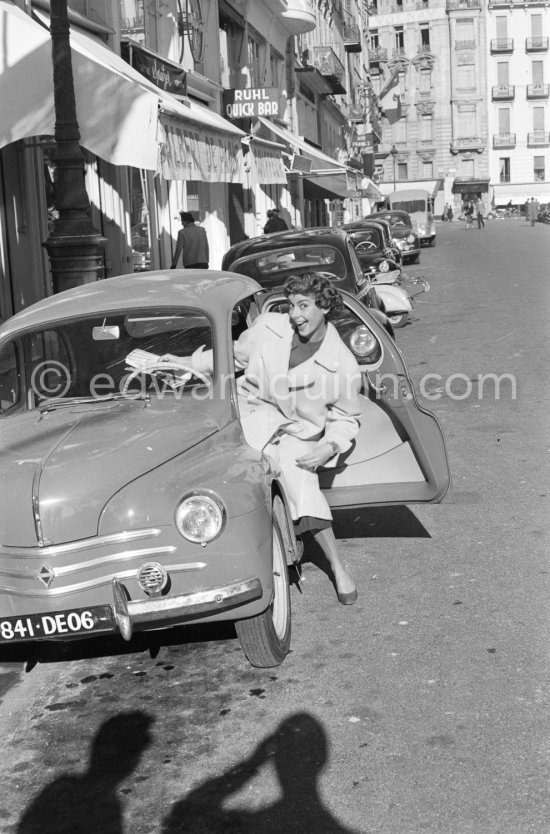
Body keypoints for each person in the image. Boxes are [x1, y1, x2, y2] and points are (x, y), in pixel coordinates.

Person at [189, 272, 362, 604]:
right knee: (228, 474)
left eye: (305, 305)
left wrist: (328, 447)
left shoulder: (342, 364)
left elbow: (346, 417)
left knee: (301, 486)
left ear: (324, 306)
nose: (296, 314)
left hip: (298, 432)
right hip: (254, 413)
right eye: (292, 305)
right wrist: (183, 361)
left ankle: (338, 568)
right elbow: (233, 355)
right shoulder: (271, 326)